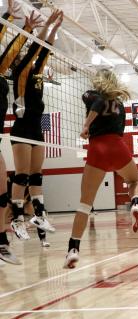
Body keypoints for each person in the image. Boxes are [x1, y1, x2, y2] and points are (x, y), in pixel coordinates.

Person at [64, 69, 138, 269]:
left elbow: (98, 103)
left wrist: (86, 126)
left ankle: (73, 249)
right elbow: (120, 129)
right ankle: (135, 203)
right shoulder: (119, 104)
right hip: (118, 146)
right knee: (134, 181)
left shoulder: (91, 96)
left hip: (97, 148)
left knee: (85, 204)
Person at [9, 10, 62, 241]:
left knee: (37, 176)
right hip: (21, 128)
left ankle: (39, 215)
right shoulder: (20, 73)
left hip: (36, 129)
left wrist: (55, 30)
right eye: (23, 56)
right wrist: (47, 24)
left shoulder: (38, 73)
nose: (27, 57)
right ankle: (17, 219)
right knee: (21, 176)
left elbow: (44, 50)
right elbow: (35, 48)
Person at [0, 1, 42, 265]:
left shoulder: (2, 72)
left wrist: (27, 28)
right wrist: (6, 17)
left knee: (3, 193)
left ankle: (2, 242)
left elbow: (13, 53)